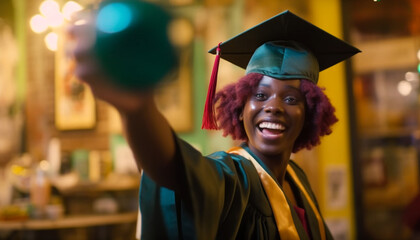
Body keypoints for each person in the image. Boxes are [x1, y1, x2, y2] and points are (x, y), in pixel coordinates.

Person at [70, 7, 360, 240]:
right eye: (260, 95)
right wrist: (137, 109)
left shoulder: (298, 179)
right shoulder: (232, 178)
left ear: (311, 113)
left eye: (292, 99)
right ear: (241, 107)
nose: (272, 107)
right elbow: (176, 171)